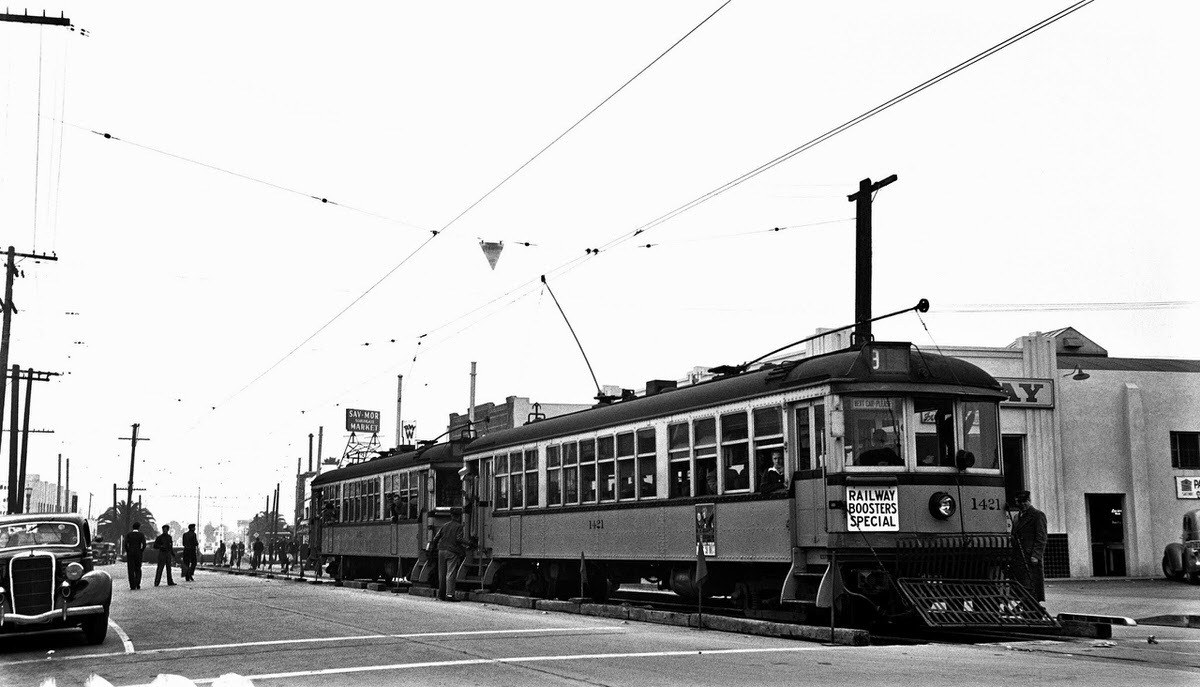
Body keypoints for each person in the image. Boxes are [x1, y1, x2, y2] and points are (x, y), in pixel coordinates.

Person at [1011, 490, 1048, 603]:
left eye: (1024, 502)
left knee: (1032, 585)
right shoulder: (1017, 517)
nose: (1022, 504)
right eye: (1019, 502)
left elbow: (1041, 537)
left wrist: (1036, 555)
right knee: (1022, 586)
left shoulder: (1037, 515)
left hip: (1030, 557)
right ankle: (1025, 606)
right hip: (1019, 557)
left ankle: (1034, 610)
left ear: (1029, 501)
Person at [431, 509, 469, 601]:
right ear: (459, 517)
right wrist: (469, 543)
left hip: (441, 551)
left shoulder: (444, 525)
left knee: (442, 573)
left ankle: (441, 594)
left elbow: (436, 538)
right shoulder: (459, 526)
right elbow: (459, 539)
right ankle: (450, 595)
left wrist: (433, 548)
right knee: (450, 573)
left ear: (451, 516)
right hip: (452, 551)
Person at [124, 522, 147, 590]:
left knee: (131, 569)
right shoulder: (141, 535)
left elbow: (125, 544)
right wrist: (141, 551)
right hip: (138, 553)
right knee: (138, 569)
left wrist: (128, 551)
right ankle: (137, 583)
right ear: (138, 527)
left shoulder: (129, 535)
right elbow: (144, 544)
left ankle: (132, 585)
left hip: (130, 553)